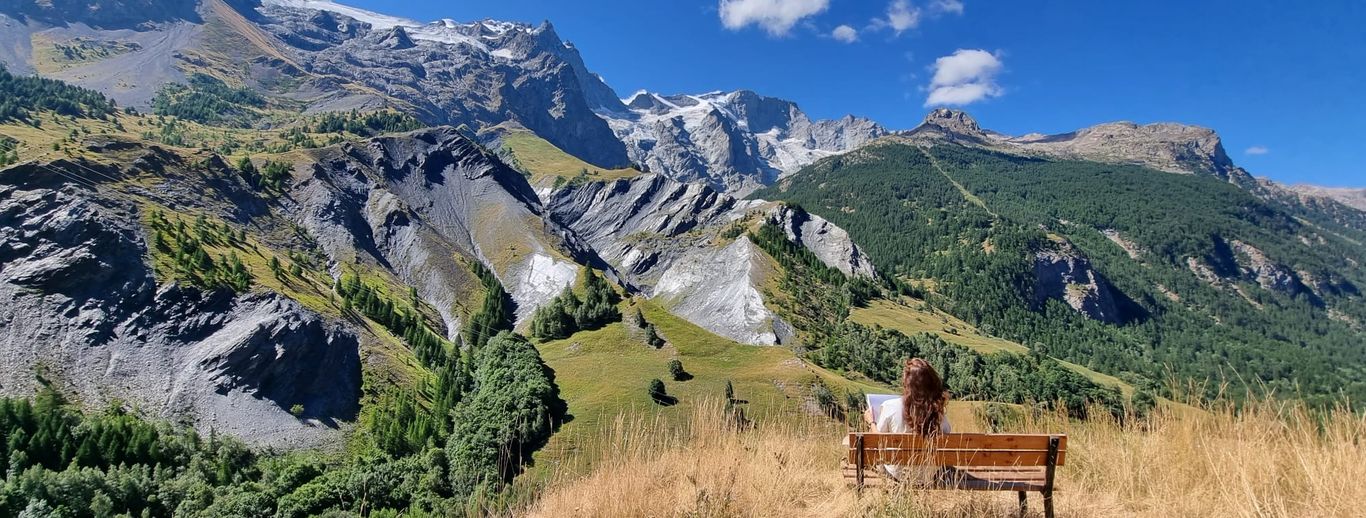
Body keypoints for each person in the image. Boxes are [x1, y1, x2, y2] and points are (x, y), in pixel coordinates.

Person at [865, 358, 952, 481]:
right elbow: (948, 438)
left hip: (897, 474)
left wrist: (871, 422)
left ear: (906, 383)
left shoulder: (890, 406)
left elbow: (877, 440)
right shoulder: (938, 413)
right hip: (929, 475)